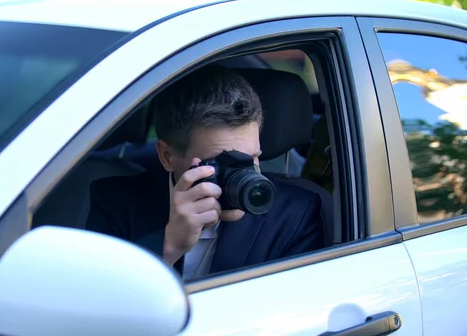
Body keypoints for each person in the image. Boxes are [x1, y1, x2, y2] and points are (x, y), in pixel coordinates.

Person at [85, 66, 324, 280]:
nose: (245, 175)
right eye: (223, 162)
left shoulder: (295, 215)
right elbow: (93, 306)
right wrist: (168, 246)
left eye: (252, 158)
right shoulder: (114, 202)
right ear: (168, 157)